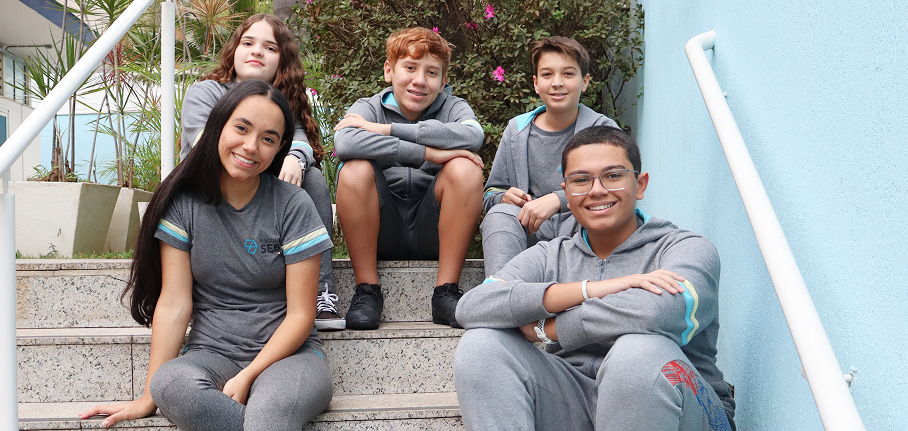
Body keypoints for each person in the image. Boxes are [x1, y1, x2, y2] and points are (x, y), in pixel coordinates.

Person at [79, 80, 334, 430]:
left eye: (268, 138)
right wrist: (148, 396)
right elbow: (174, 304)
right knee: (170, 384)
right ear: (218, 126)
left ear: (279, 149)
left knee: (270, 413)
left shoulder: (293, 204)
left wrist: (249, 375)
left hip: (291, 358)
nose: (251, 146)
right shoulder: (184, 204)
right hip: (211, 354)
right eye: (241, 128)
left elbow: (301, 315)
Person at [454, 126, 736, 430]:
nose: (597, 190)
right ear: (566, 192)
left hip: (685, 409)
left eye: (613, 176)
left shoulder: (684, 248)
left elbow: (658, 311)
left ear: (640, 185)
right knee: (481, 346)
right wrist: (592, 289)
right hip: (573, 398)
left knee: (637, 355)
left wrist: (551, 329)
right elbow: (472, 307)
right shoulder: (550, 255)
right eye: (581, 180)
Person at [179, 13, 343, 331]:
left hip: (260, 189)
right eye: (248, 43)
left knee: (312, 179)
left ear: (282, 61)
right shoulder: (206, 92)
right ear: (234, 51)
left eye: (269, 47)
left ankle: (321, 293)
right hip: (207, 188)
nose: (256, 51)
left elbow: (299, 139)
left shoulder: (283, 102)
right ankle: (193, 298)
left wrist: (296, 157)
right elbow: (204, 143)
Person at [333, 27, 484, 330]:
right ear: (389, 71)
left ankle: (446, 292)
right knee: (354, 168)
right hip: (380, 229)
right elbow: (345, 142)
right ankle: (367, 291)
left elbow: (473, 136)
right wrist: (430, 153)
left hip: (433, 228)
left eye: (431, 72)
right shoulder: (368, 107)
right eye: (410, 68)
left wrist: (387, 130)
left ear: (443, 81)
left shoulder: (454, 107)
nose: (420, 80)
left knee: (466, 168)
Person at [481, 36, 618, 277]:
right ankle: (503, 291)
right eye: (547, 74)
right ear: (536, 83)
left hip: (581, 228)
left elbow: (617, 187)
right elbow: (490, 194)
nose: (557, 83)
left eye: (568, 74)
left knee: (600, 216)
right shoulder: (516, 131)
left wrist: (558, 199)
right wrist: (503, 197)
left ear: (585, 82)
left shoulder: (603, 130)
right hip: (529, 230)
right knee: (499, 216)